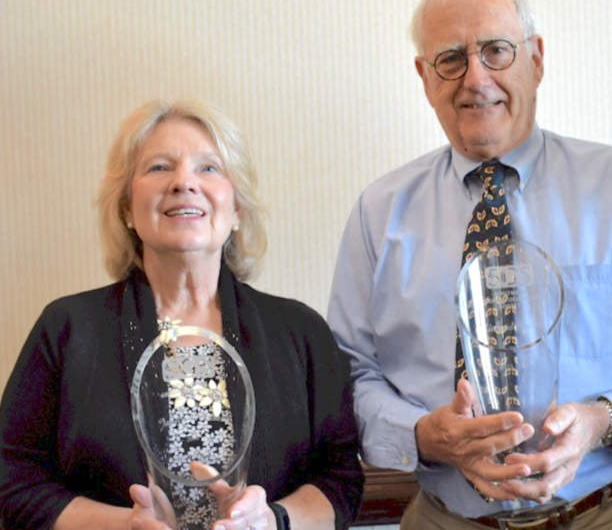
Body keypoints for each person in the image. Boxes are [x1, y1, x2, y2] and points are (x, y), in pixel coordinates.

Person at [327, 0, 612, 530]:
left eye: (496, 51)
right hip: (449, 519)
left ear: (536, 59)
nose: (475, 78)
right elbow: (350, 378)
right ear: (425, 76)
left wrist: (603, 418)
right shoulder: (377, 213)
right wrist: (422, 434)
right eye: (451, 59)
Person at [0, 99, 364, 530]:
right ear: (126, 210)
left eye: (208, 168)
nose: (183, 183)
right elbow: (13, 480)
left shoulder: (300, 332)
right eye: (158, 168)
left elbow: (340, 478)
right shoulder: (66, 329)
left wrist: (272, 520)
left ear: (237, 210)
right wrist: (122, 526)